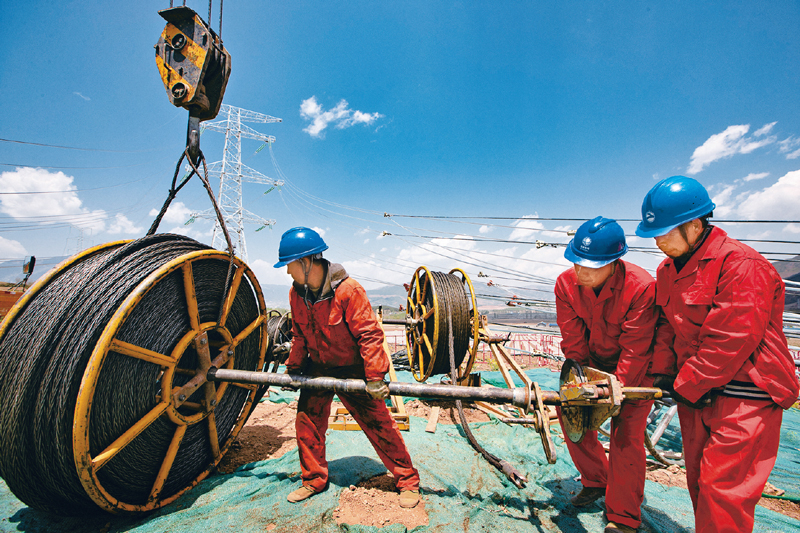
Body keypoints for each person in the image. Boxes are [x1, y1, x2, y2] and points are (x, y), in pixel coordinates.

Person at [636, 176, 799, 533]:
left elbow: (732, 337)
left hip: (747, 392)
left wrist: (688, 382)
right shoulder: (667, 271)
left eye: (665, 232)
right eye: (655, 234)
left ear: (695, 225)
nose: (659, 241)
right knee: (698, 482)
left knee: (722, 491)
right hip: (700, 392)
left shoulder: (741, 264)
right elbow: (665, 327)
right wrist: (664, 374)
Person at [274, 227, 421, 508]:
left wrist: (375, 377)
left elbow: (370, 334)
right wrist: (294, 368)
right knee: (307, 423)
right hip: (318, 367)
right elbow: (300, 336)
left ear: (306, 263)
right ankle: (313, 480)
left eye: (290, 265)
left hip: (353, 369)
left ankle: (407, 481)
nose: (288, 272)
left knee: (379, 424)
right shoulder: (296, 295)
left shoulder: (348, 291)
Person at [555, 216, 658, 533]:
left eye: (590, 265)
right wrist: (583, 383)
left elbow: (636, 348)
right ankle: (597, 479)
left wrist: (616, 391)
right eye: (576, 262)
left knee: (626, 436)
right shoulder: (565, 284)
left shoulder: (641, 288)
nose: (581, 271)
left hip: (637, 369)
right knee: (570, 413)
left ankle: (624, 518)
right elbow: (573, 341)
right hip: (592, 364)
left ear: (614, 262)